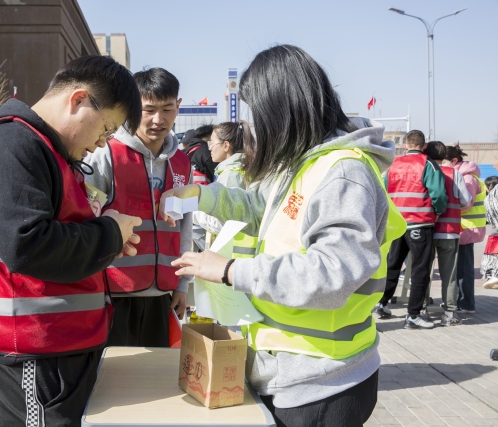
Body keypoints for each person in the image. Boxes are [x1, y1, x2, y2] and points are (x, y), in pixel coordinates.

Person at [160, 44, 405, 427]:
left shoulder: (343, 173)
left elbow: (332, 275)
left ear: (284, 108)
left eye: (259, 113)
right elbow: (258, 209)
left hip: (323, 379)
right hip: (288, 372)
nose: (255, 127)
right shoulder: (299, 165)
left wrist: (230, 271)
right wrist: (201, 196)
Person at [0, 55, 143, 427]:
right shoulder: (11, 142)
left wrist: (106, 241)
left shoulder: (45, 148)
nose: (101, 144)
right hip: (31, 360)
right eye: (106, 128)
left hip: (55, 353)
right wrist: (109, 232)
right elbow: (26, 244)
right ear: (78, 100)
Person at [84, 67, 192, 347]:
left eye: (167, 109)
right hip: (113, 293)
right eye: (149, 110)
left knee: (158, 371)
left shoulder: (182, 163)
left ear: (178, 107)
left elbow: (186, 225)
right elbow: (84, 220)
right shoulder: (105, 154)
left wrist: (183, 286)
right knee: (115, 370)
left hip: (163, 295)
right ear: (133, 109)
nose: (159, 119)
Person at [373, 130, 447, 329]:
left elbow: (384, 190)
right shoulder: (428, 164)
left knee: (392, 265)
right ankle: (413, 315)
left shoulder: (393, 164)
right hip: (420, 223)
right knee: (420, 270)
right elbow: (439, 194)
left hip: (397, 224)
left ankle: (381, 303)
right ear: (424, 146)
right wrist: (438, 212)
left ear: (405, 145)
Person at [423, 141, 471, 326]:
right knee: (449, 274)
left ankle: (422, 310)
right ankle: (449, 314)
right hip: (449, 231)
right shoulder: (454, 173)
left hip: (426, 230)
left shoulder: (424, 171)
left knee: (423, 273)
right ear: (444, 156)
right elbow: (465, 200)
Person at [446, 145, 486, 313]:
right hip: (463, 228)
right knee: (460, 267)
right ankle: (461, 301)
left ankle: (466, 303)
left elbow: (466, 204)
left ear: (454, 161)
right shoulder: (462, 175)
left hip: (467, 229)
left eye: (444, 161)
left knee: (464, 268)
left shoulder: (467, 178)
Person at [193, 120, 250, 239]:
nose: (209, 148)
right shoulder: (239, 169)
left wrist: (192, 212)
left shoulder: (231, 176)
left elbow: (222, 223)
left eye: (212, 143)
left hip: (233, 247)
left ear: (226, 146)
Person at [481, 176, 498, 288]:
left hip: (494, 231)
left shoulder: (489, 199)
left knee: (492, 255)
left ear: (489, 186)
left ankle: (493, 275)